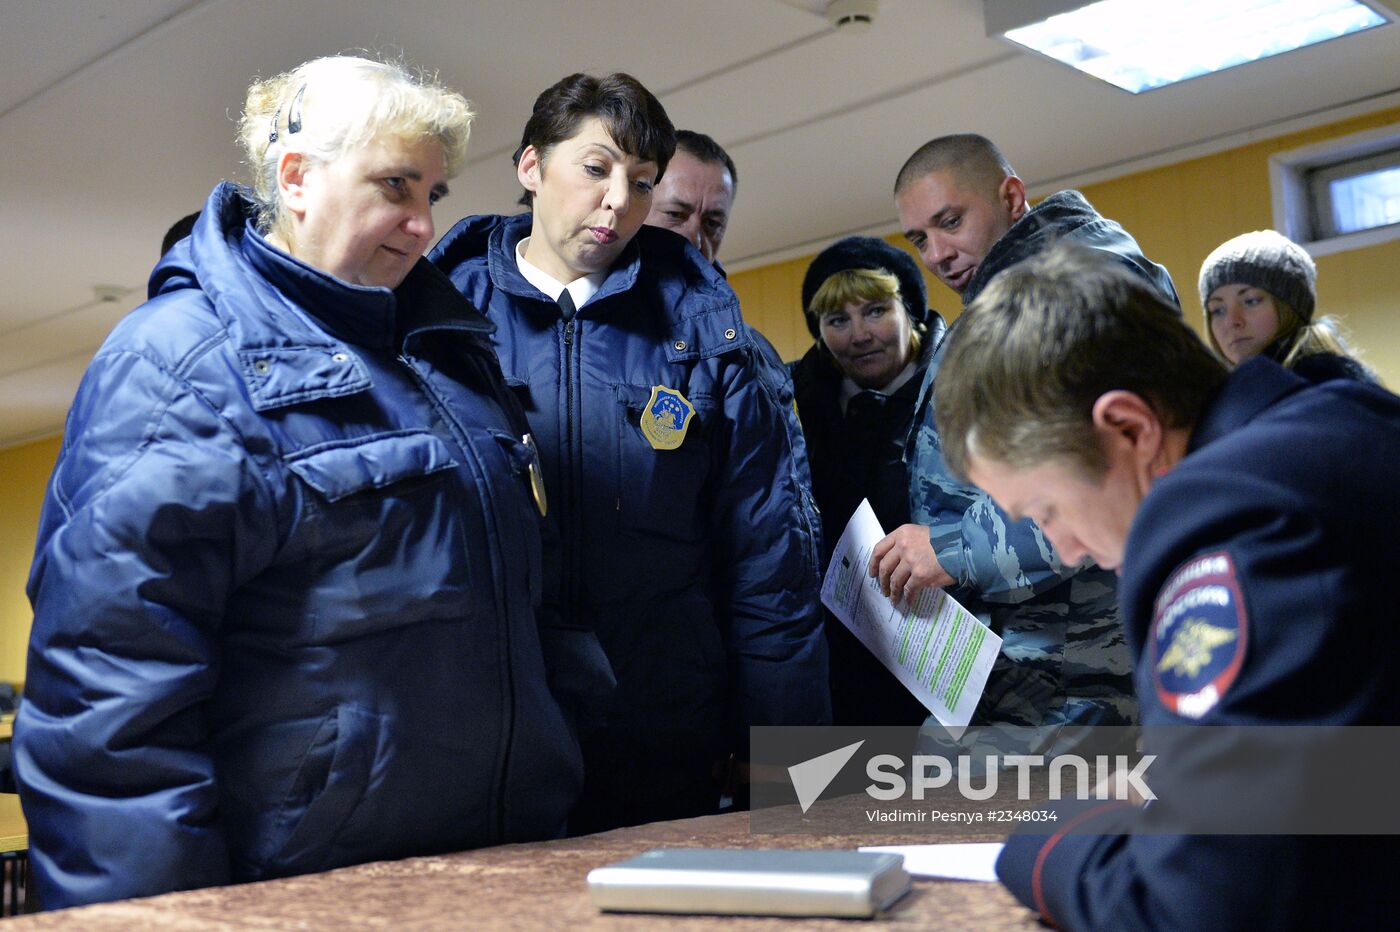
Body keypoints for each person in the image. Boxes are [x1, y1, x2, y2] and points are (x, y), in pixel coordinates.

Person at [14, 56, 582, 909]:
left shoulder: (452, 358)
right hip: (302, 895)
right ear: (297, 179)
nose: (424, 224)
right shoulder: (180, 365)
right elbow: (109, 707)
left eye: (435, 192)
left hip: (502, 871)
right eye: (396, 186)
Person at [932, 242, 1399, 930]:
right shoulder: (1346, 426)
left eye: (1045, 512)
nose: (1062, 548)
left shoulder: (1226, 519)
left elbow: (1196, 908)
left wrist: (1045, 836)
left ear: (1128, 428)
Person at [431, 74, 829, 835]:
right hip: (482, 736)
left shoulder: (712, 344)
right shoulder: (437, 328)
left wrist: (788, 773)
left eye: (642, 182)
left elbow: (769, 572)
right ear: (529, 168)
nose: (619, 200)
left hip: (662, 736)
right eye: (595, 168)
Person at [870, 133, 1179, 745]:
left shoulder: (1080, 288)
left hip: (1077, 677)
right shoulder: (1006, 297)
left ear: (1011, 197)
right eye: (919, 239)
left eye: (950, 222)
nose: (937, 253)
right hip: (1019, 675)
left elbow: (1106, 484)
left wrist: (951, 549)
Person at [790, 237, 946, 725]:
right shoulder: (790, 405)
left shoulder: (965, 387)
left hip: (946, 653)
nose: (859, 335)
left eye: (876, 311)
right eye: (838, 320)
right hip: (831, 665)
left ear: (911, 312)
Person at [1199, 228, 1379, 384]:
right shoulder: (1227, 398)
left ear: (1289, 307)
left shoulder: (1327, 387)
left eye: (1251, 301)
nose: (1232, 321)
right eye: (1218, 310)